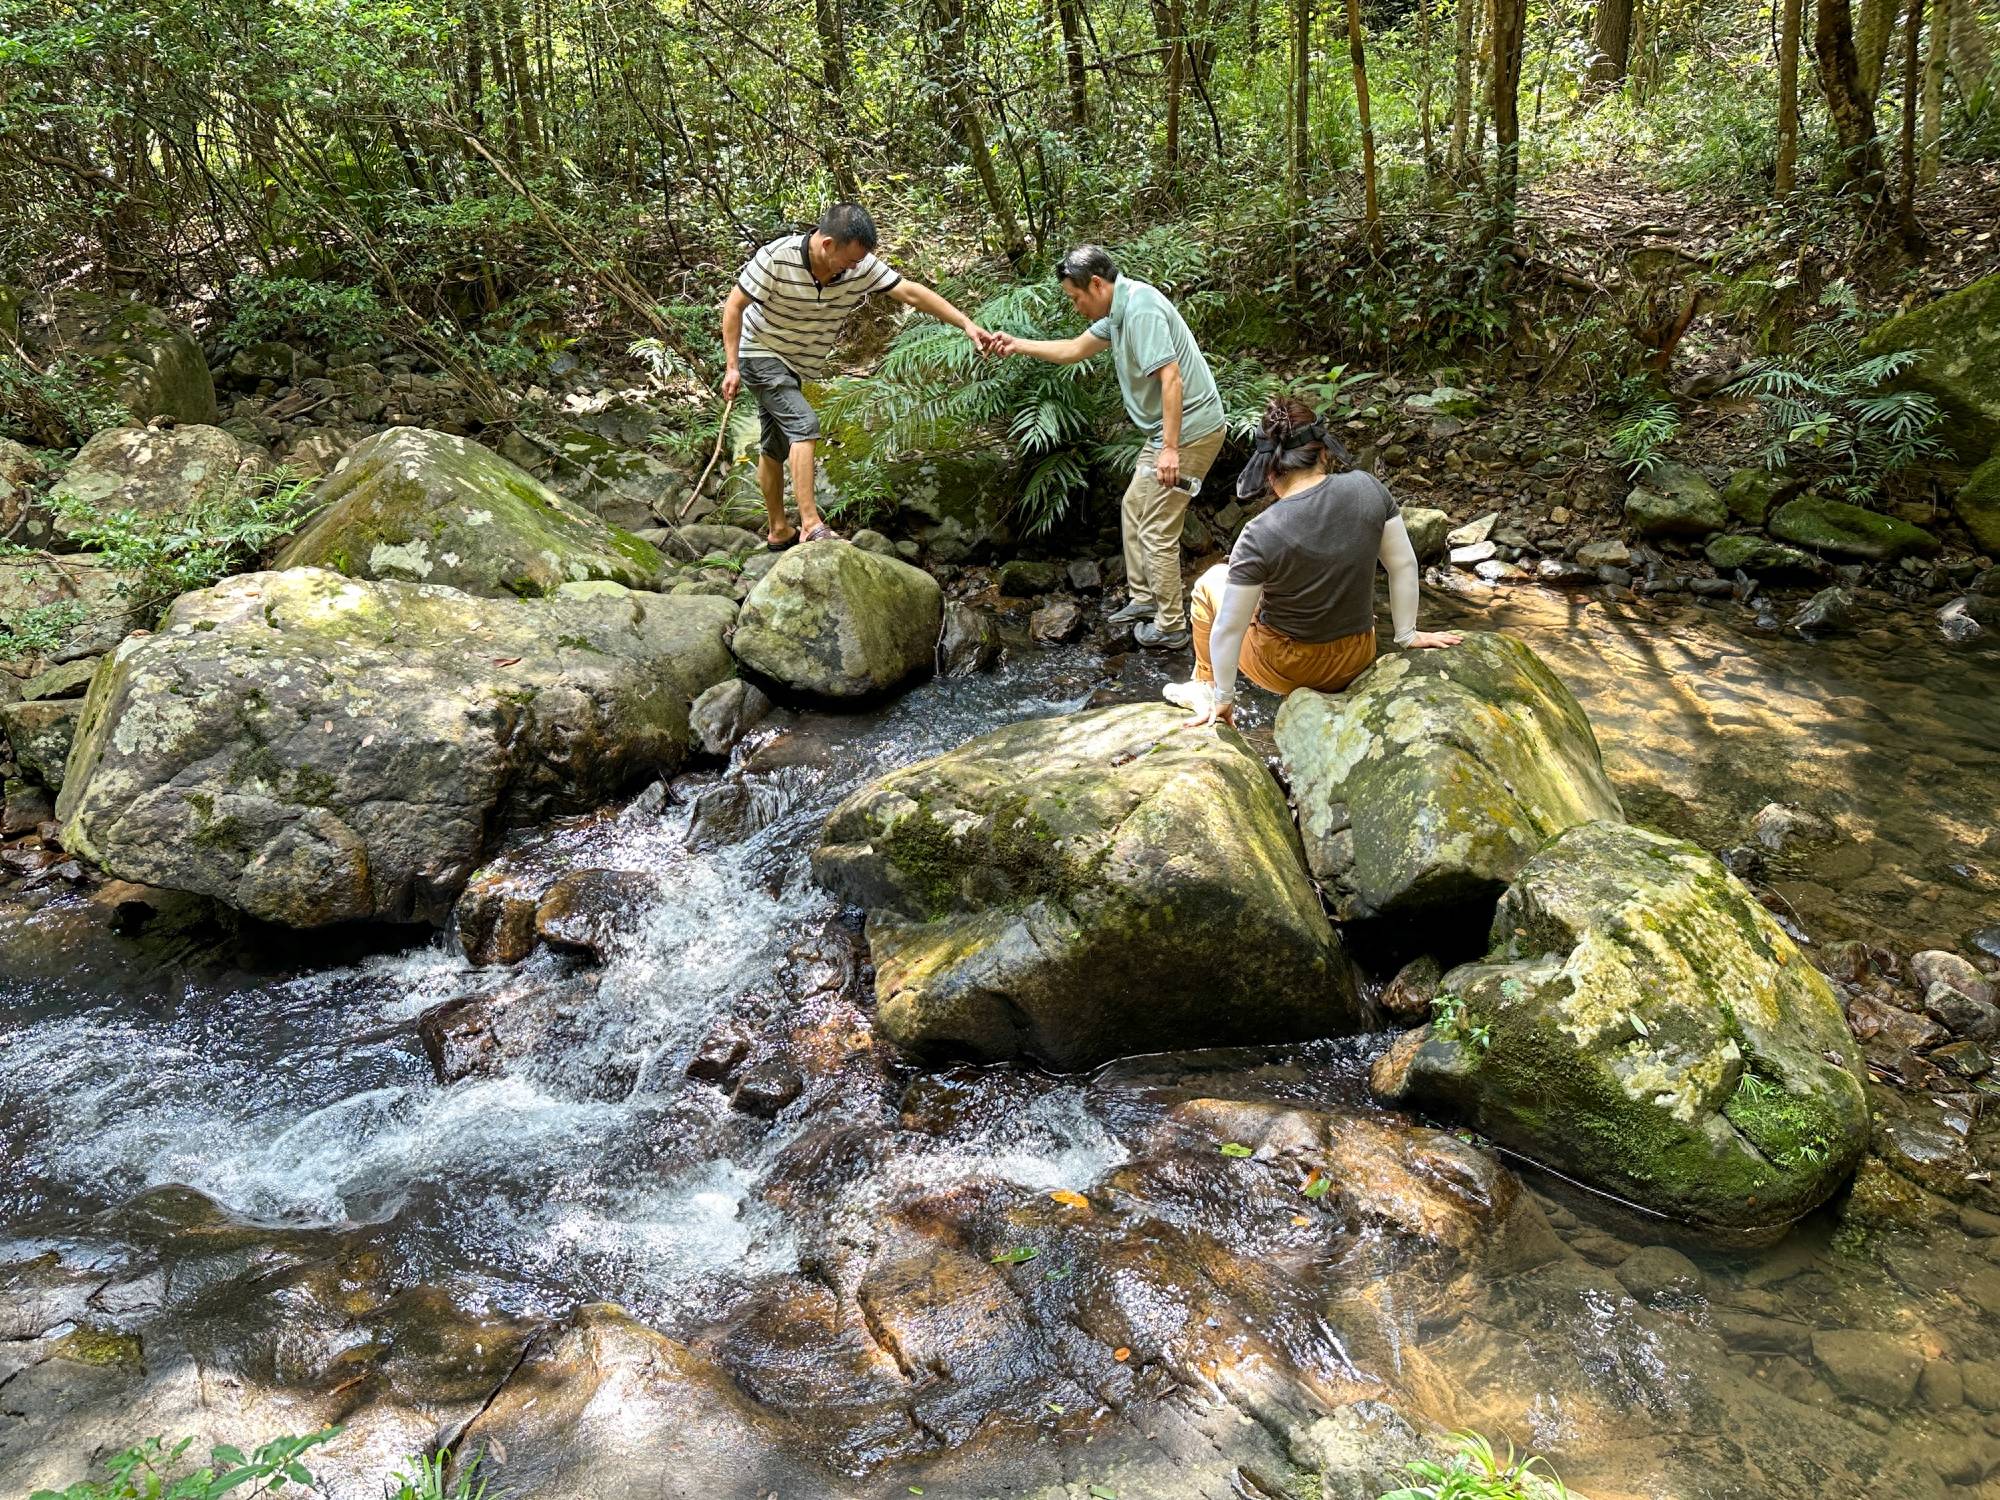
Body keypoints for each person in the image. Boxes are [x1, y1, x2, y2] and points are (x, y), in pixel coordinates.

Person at [1168, 395, 1461, 727]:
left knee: (1210, 583)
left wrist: (1226, 698)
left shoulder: (1260, 531)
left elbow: (1228, 629)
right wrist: (1407, 634)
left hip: (1289, 669)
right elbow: (1404, 565)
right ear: (1323, 453)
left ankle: (1206, 687)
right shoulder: (1368, 488)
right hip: (1358, 655)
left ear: (1268, 472)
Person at [721, 204, 994, 548]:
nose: (854, 268)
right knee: (803, 425)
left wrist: (966, 324)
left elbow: (910, 292)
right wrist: (732, 367)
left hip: (798, 363)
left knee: (775, 445)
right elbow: (734, 307)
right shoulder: (776, 258)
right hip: (760, 353)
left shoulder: (858, 265)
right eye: (849, 260)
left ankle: (779, 529)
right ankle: (810, 524)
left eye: (859, 262)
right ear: (827, 244)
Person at [991, 246, 1224, 649]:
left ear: (1096, 284)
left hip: (1190, 432)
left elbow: (1171, 378)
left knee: (1157, 527)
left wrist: (1170, 449)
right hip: (1166, 433)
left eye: (1075, 296)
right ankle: (1144, 599)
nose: (1075, 304)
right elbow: (1073, 350)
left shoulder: (1141, 310)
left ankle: (1171, 628)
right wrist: (1018, 344)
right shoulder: (1116, 312)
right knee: (1134, 507)